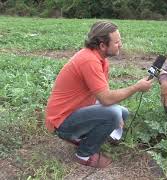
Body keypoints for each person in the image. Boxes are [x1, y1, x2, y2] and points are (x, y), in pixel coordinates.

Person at [45, 21, 153, 168]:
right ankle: (83, 154)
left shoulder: (100, 60)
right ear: (102, 45)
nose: (120, 45)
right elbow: (106, 99)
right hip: (61, 122)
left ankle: (87, 138)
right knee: (114, 113)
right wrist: (136, 87)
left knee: (123, 112)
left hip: (76, 110)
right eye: (116, 42)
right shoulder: (88, 60)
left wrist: (114, 113)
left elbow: (102, 95)